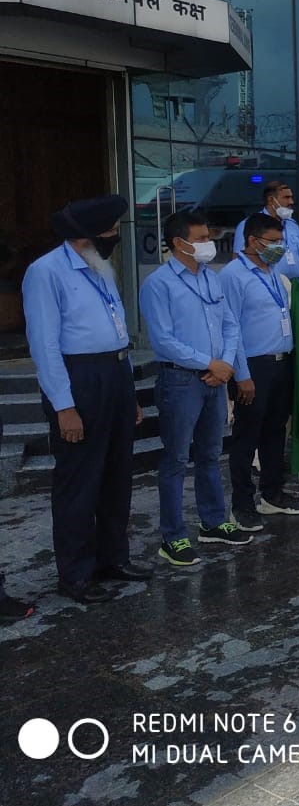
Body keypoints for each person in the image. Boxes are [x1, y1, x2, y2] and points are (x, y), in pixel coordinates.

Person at [23, 194, 149, 601]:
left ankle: (113, 557)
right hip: (79, 380)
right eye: (110, 232)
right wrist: (64, 406)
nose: (115, 237)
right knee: (79, 481)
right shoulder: (46, 272)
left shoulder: (100, 268)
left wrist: (128, 393)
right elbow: (44, 345)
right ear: (85, 237)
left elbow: (117, 332)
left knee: (117, 476)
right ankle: (76, 574)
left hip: (114, 372)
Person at [141, 210, 252, 566]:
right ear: (179, 242)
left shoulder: (211, 277)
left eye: (208, 237)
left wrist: (225, 367)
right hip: (180, 380)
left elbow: (231, 325)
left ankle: (214, 521)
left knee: (209, 454)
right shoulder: (159, 283)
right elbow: (162, 339)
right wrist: (208, 363)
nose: (208, 244)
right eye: (202, 238)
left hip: (215, 380)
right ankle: (173, 537)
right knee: (175, 459)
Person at [222, 212, 299, 532]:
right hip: (252, 365)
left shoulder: (273, 271)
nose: (279, 248)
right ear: (252, 241)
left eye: (281, 242)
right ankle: (241, 505)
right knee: (247, 437)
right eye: (273, 243)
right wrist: (241, 374)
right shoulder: (233, 275)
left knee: (275, 432)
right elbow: (229, 328)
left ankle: (271, 494)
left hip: (281, 361)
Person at [232, 180, 299, 279]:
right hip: (265, 281)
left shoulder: (292, 224)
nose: (291, 202)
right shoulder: (250, 224)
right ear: (271, 200)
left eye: (291, 197)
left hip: (295, 285)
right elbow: (237, 259)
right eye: (286, 197)